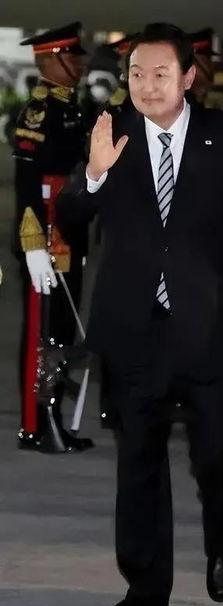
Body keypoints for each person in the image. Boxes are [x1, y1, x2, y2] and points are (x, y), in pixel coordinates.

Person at [57, 23, 223, 606]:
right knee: (138, 461)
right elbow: (71, 217)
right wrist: (95, 174)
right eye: (136, 74)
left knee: (222, 452)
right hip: (134, 328)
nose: (147, 85)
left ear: (188, 77)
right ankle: (145, 589)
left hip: (210, 327)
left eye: (160, 73)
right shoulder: (111, 131)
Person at [13, 22, 93, 452]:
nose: (81, 62)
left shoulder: (73, 108)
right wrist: (31, 245)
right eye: (72, 55)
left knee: (62, 327)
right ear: (50, 60)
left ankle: (53, 415)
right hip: (45, 232)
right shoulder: (38, 112)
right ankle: (35, 422)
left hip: (67, 229)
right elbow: (28, 184)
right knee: (41, 329)